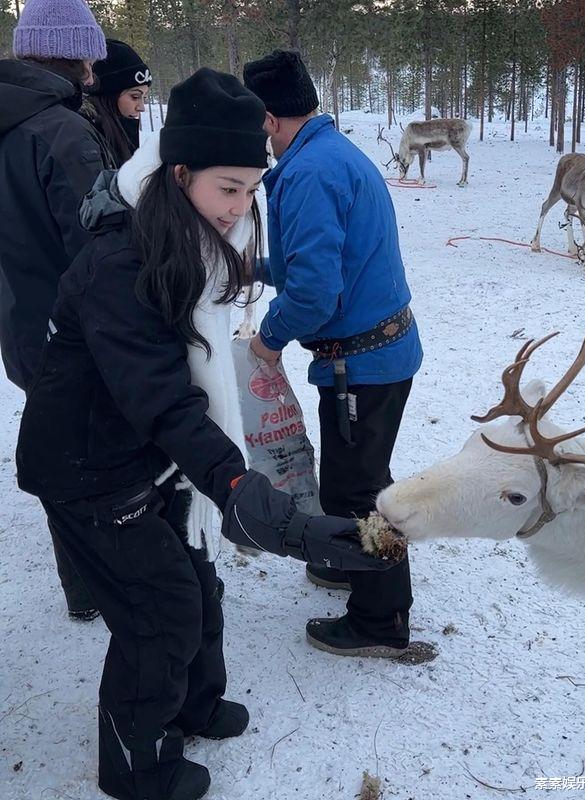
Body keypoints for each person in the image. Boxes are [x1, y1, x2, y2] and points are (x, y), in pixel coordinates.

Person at [15, 68, 393, 800]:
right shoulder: (120, 265)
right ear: (180, 173)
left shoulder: (188, 241)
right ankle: (137, 766)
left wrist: (234, 485)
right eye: (228, 188)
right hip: (88, 467)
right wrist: (240, 487)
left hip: (144, 454)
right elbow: (163, 399)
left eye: (252, 190)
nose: (240, 207)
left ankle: (192, 703)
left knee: (197, 581)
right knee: (159, 611)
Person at [243, 50, 424, 658]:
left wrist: (268, 340)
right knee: (357, 480)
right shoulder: (329, 153)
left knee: (359, 492)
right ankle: (352, 564)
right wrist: (253, 268)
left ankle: (380, 621)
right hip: (378, 353)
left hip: (362, 365)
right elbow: (320, 262)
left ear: (269, 119)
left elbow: (315, 293)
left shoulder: (309, 173)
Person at [0, 0, 109, 620]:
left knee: (62, 445)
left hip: (23, 326)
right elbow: (100, 248)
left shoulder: (13, 120)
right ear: (73, 54)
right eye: (90, 51)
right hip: (74, 332)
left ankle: (85, 587)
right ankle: (105, 583)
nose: (95, 64)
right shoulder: (60, 132)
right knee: (97, 456)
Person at [83, 38, 152, 168]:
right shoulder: (84, 138)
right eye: (135, 96)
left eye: (145, 97)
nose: (141, 107)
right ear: (109, 94)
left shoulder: (117, 132)